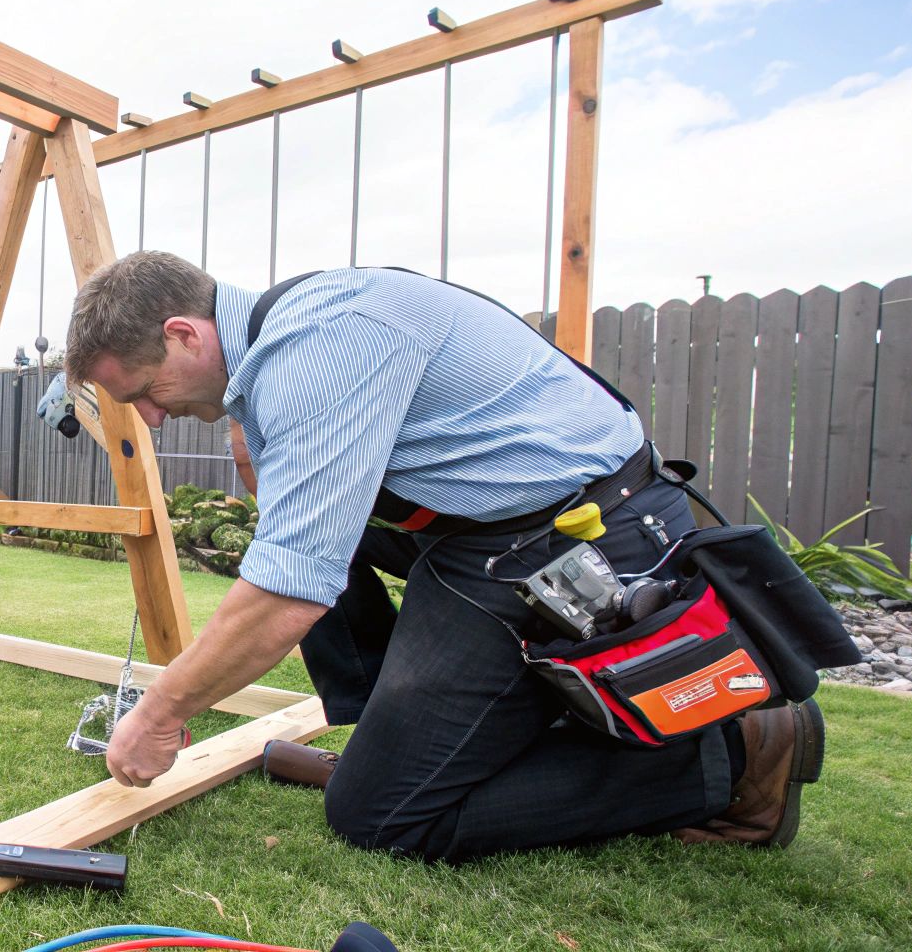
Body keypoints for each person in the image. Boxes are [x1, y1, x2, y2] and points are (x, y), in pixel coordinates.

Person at [63, 251, 825, 862]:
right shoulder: (293, 327)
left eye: (147, 391)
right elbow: (302, 533)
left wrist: (160, 714)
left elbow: (287, 591)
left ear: (185, 334)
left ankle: (733, 754)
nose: (152, 420)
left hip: (572, 535)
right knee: (302, 526)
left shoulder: (320, 346)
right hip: (496, 523)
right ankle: (394, 737)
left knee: (382, 814)